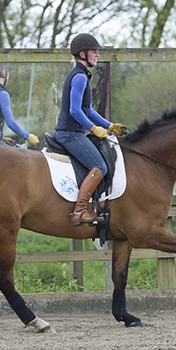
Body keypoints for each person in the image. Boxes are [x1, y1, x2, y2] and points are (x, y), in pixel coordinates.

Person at [54, 33, 126, 226]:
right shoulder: (79, 77)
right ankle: (79, 211)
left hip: (72, 132)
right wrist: (94, 129)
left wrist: (109, 125)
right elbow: (75, 111)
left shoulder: (82, 75)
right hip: (70, 134)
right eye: (94, 52)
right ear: (83, 53)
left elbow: (88, 110)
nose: (97, 55)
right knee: (100, 166)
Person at [0, 64, 39, 149]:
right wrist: (28, 136)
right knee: (21, 156)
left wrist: (1, 138)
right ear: (4, 73)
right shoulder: (2, 93)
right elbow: (10, 123)